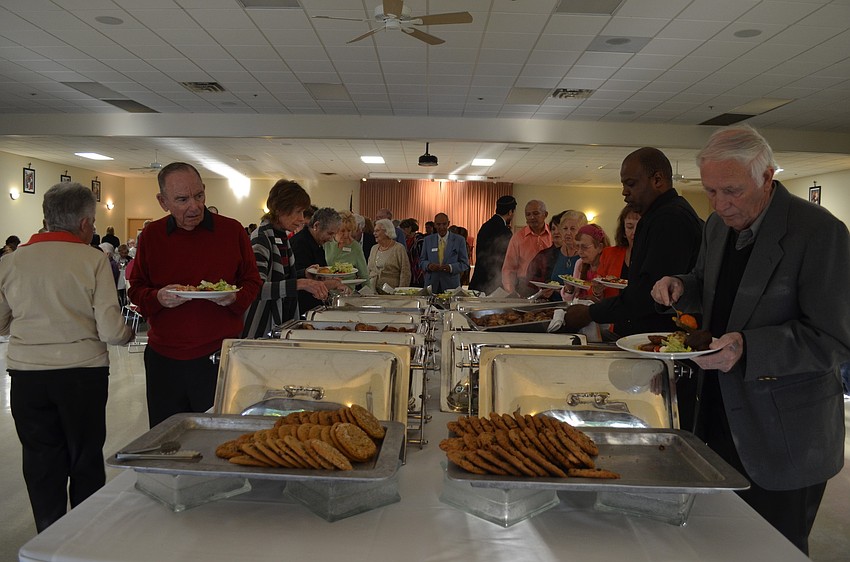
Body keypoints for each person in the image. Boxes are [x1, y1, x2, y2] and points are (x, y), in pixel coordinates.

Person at [651, 126, 850, 555]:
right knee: (716, 543)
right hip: (717, 417)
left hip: (784, 434)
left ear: (767, 177)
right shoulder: (717, 227)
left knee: (773, 549)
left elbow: (835, 338)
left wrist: (749, 348)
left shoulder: (819, 232)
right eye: (710, 191)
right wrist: (682, 286)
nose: (720, 204)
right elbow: (713, 287)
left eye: (732, 191)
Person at [0, 182, 133, 532]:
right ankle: (82, 537)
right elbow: (110, 330)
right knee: (84, 458)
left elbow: (0, 325)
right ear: (86, 223)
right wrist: (128, 333)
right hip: (81, 375)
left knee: (40, 459)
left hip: (27, 377)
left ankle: (48, 532)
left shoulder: (11, 262)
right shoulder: (92, 260)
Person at [127, 162, 261, 428]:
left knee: (217, 437)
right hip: (164, 360)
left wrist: (236, 298)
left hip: (218, 356)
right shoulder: (152, 235)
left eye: (199, 195)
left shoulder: (231, 231)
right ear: (163, 201)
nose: (194, 206)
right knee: (167, 439)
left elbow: (252, 281)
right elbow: (137, 287)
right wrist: (157, 298)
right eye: (182, 199)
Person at [562, 147, 702, 337]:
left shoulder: (670, 219)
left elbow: (650, 292)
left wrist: (590, 313)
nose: (624, 192)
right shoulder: (658, 216)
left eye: (631, 184)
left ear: (657, 180)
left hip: (659, 337)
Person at [243, 181, 334, 338]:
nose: (301, 218)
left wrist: (303, 274)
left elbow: (282, 277)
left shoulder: (281, 236)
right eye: (298, 212)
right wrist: (300, 283)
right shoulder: (261, 238)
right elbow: (255, 289)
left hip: (282, 322)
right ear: (280, 209)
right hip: (262, 327)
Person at [289, 207, 345, 314]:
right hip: (301, 310)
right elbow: (297, 282)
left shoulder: (316, 243)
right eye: (329, 233)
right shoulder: (300, 244)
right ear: (316, 226)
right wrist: (333, 283)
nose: (331, 239)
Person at [501, 199, 551, 296]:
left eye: (536, 213)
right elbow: (508, 268)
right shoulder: (518, 237)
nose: (532, 217)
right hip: (526, 286)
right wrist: (510, 292)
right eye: (528, 214)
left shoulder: (553, 235)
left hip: (550, 285)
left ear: (545, 214)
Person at [468, 195, 516, 294]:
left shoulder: (485, 226)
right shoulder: (504, 231)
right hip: (493, 284)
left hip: (478, 280)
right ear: (510, 212)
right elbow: (507, 259)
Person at [595, 206, 641, 301]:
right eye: (630, 227)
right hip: (613, 311)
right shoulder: (609, 254)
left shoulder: (653, 256)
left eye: (641, 227)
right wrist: (597, 290)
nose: (635, 232)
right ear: (623, 231)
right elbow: (596, 291)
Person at [419, 213, 469, 293]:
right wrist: (428, 265)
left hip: (451, 285)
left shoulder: (459, 240)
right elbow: (421, 261)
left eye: (444, 224)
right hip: (431, 285)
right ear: (435, 225)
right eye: (438, 224)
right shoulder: (427, 240)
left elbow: (465, 264)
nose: (441, 227)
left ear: (448, 223)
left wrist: (451, 267)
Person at [561, 224, 610, 302]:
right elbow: (570, 300)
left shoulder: (609, 266)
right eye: (577, 246)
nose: (580, 251)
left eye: (584, 247)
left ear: (600, 247)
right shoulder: (580, 263)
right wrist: (569, 289)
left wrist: (597, 294)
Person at [524, 211, 567, 300]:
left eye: (559, 228)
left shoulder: (573, 255)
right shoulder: (543, 255)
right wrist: (540, 291)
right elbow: (530, 280)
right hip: (545, 300)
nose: (556, 232)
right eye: (553, 229)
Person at [324, 210, 369, 289]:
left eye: (349, 231)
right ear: (335, 229)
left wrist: (370, 296)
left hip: (347, 292)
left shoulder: (355, 247)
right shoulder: (327, 243)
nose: (346, 235)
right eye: (343, 231)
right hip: (327, 291)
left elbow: (364, 275)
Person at [368, 218, 410, 289]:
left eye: (377, 231)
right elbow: (369, 270)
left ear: (387, 231)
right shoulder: (374, 248)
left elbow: (405, 273)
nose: (374, 233)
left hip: (392, 293)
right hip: (373, 292)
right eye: (374, 231)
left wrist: (401, 292)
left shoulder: (399, 248)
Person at [399, 218, 425, 287]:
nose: (402, 231)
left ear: (409, 228)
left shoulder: (419, 240)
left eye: (403, 229)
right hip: (408, 271)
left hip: (418, 273)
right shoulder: (404, 240)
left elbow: (421, 256)